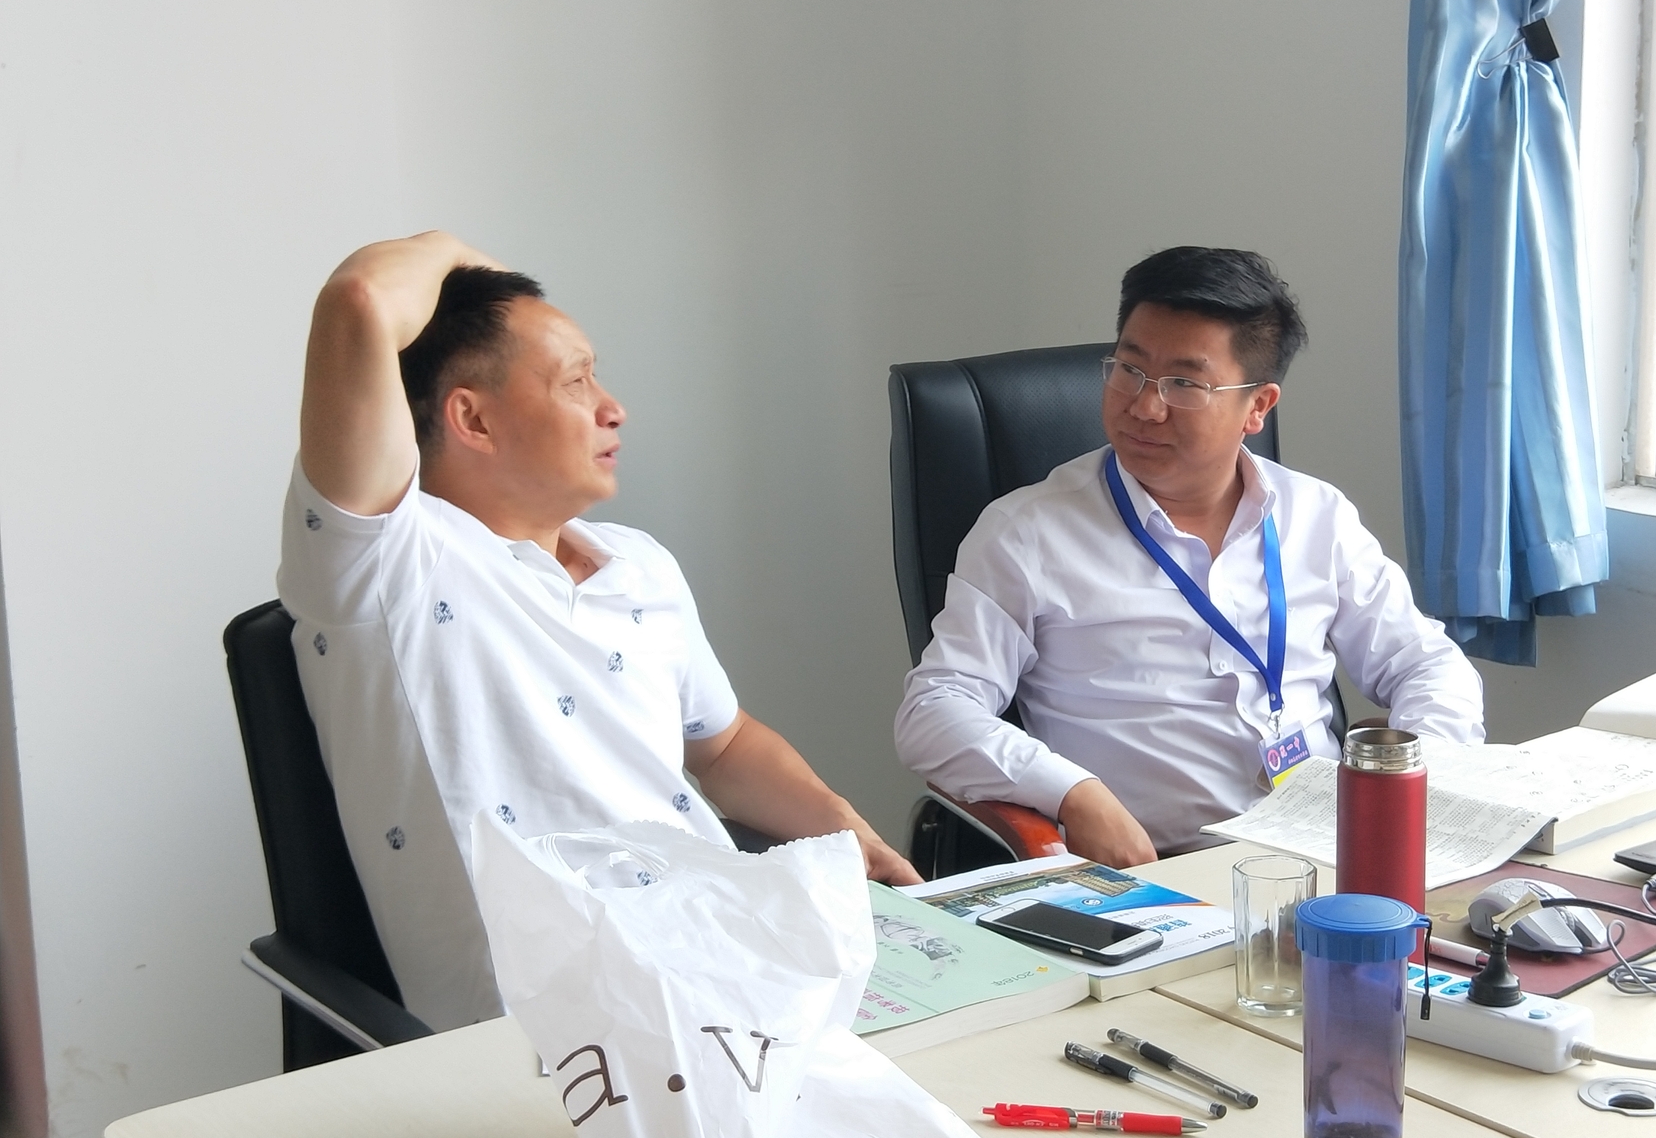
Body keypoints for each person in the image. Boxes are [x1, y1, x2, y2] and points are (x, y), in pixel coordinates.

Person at [281, 231, 916, 1032]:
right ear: (472, 418)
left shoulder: (637, 564)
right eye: (576, 381)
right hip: (576, 1032)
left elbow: (721, 747)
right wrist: (465, 261)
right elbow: (360, 301)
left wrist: (844, 830)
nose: (613, 408)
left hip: (732, 957)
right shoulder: (386, 564)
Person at [895, 246, 1483, 870]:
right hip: (1160, 874)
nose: (1144, 406)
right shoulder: (1027, 534)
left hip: (1329, 852)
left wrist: (1409, 785)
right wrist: (1074, 794)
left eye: (1185, 384)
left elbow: (1426, 663)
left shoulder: (1316, 515)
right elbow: (934, 711)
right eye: (1129, 370)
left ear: (1257, 407)